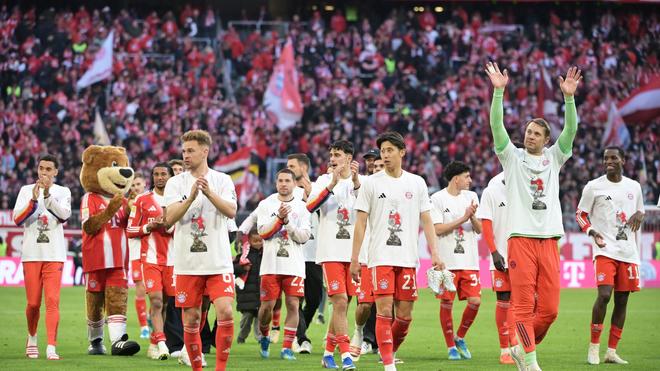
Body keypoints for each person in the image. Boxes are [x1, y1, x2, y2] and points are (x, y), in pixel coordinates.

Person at [486, 61, 582, 371]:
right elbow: (496, 128)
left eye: (537, 133)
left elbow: (571, 130)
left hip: (549, 240)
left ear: (545, 139)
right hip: (520, 240)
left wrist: (568, 98)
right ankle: (530, 361)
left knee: (551, 310)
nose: (530, 136)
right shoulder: (511, 158)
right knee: (524, 306)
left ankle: (520, 347)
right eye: (528, 131)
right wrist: (499, 93)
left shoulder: (555, 158)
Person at [350, 131, 445, 371]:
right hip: (380, 257)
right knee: (383, 311)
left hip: (408, 259)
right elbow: (360, 222)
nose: (386, 155)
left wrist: (435, 253)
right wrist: (354, 258)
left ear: (402, 152)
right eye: (383, 151)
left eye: (390, 150)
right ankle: (389, 365)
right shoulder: (371, 183)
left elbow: (427, 219)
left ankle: (387, 351)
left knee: (404, 317)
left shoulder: (417, 182)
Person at [164, 130, 237, 371]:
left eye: (190, 150)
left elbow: (231, 211)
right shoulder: (175, 183)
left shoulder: (222, 180)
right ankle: (196, 368)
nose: (185, 155)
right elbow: (168, 219)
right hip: (187, 264)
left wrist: (208, 192)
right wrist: (191, 197)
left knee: (226, 311)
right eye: (183, 150)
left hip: (218, 262)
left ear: (205, 151)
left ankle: (220, 369)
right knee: (192, 319)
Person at [576, 147, 645, 365]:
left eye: (614, 157)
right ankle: (594, 347)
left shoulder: (634, 186)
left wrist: (640, 214)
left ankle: (611, 351)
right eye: (606, 158)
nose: (609, 161)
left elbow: (641, 211)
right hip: (604, 248)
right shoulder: (593, 186)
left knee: (622, 300)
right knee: (605, 295)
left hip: (628, 251)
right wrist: (591, 231)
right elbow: (581, 214)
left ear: (623, 160)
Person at [306, 140, 361, 369]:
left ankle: (328, 353)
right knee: (338, 300)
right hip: (330, 252)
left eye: (337, 154)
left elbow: (369, 211)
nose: (332, 158)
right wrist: (331, 185)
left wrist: (356, 183)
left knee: (344, 304)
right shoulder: (322, 181)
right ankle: (346, 355)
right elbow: (310, 207)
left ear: (349, 158)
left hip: (354, 254)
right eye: (331, 154)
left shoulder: (363, 183)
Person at [13, 154, 71, 360]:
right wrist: (33, 200)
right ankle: (32, 337)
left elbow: (64, 216)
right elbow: (17, 219)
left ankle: (51, 347)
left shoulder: (63, 192)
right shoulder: (25, 190)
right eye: (41, 168)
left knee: (53, 301)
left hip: (54, 255)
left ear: (56, 172)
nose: (43, 173)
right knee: (33, 304)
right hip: (31, 255)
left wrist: (47, 196)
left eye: (48, 169)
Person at [255, 168, 311, 361]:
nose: (284, 184)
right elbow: (262, 233)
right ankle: (264, 335)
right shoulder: (266, 204)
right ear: (276, 183)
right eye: (280, 180)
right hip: (271, 265)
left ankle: (287, 347)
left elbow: (304, 237)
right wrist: (279, 219)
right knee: (266, 308)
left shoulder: (303, 207)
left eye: (288, 180)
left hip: (294, 266)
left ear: (294, 184)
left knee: (293, 305)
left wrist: (288, 224)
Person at [431, 161, 482, 361]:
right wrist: (463, 218)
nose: (470, 180)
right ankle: (450, 347)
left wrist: (473, 217)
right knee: (446, 304)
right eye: (467, 176)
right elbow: (438, 229)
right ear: (456, 179)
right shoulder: (437, 199)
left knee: (475, 301)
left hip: (469, 260)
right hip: (447, 262)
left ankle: (460, 337)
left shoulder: (471, 197)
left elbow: (479, 230)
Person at [127, 163, 175, 360]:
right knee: (155, 300)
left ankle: (155, 343)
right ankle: (162, 343)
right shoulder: (142, 200)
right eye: (156, 174)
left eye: (164, 174)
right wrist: (149, 227)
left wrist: (169, 227)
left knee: (165, 303)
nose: (160, 177)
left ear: (171, 177)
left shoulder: (179, 200)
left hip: (173, 260)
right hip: (151, 259)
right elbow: (130, 231)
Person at [476, 172, 516, 364]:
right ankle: (505, 350)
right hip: (501, 255)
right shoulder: (492, 190)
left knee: (522, 303)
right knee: (504, 300)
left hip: (524, 256)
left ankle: (517, 345)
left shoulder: (530, 186)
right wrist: (494, 252)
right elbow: (486, 224)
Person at [287, 153, 324, 352]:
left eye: (292, 166)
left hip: (315, 254)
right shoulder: (287, 192)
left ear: (304, 167)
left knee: (314, 299)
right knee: (294, 299)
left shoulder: (319, 189)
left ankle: (298, 334)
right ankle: (302, 339)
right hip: (295, 254)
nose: (289, 169)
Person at [351, 150, 381, 359]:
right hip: (367, 255)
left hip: (389, 253)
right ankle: (364, 336)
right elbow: (357, 190)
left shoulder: (399, 184)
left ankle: (381, 344)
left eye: (375, 161)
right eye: (369, 162)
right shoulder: (364, 185)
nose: (372, 164)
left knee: (387, 304)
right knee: (365, 303)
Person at [127, 172, 150, 339]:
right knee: (141, 289)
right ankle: (144, 327)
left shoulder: (152, 200)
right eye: (133, 185)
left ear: (145, 185)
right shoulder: (128, 203)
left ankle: (151, 319)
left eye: (138, 184)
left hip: (152, 251)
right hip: (135, 252)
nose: (135, 188)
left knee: (156, 292)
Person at [233, 227, 264, 344]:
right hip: (246, 294)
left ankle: (260, 337)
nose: (258, 243)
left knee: (260, 317)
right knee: (247, 318)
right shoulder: (243, 256)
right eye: (255, 241)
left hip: (261, 292)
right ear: (249, 241)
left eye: (260, 240)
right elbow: (233, 268)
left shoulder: (265, 254)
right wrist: (242, 268)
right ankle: (241, 336)